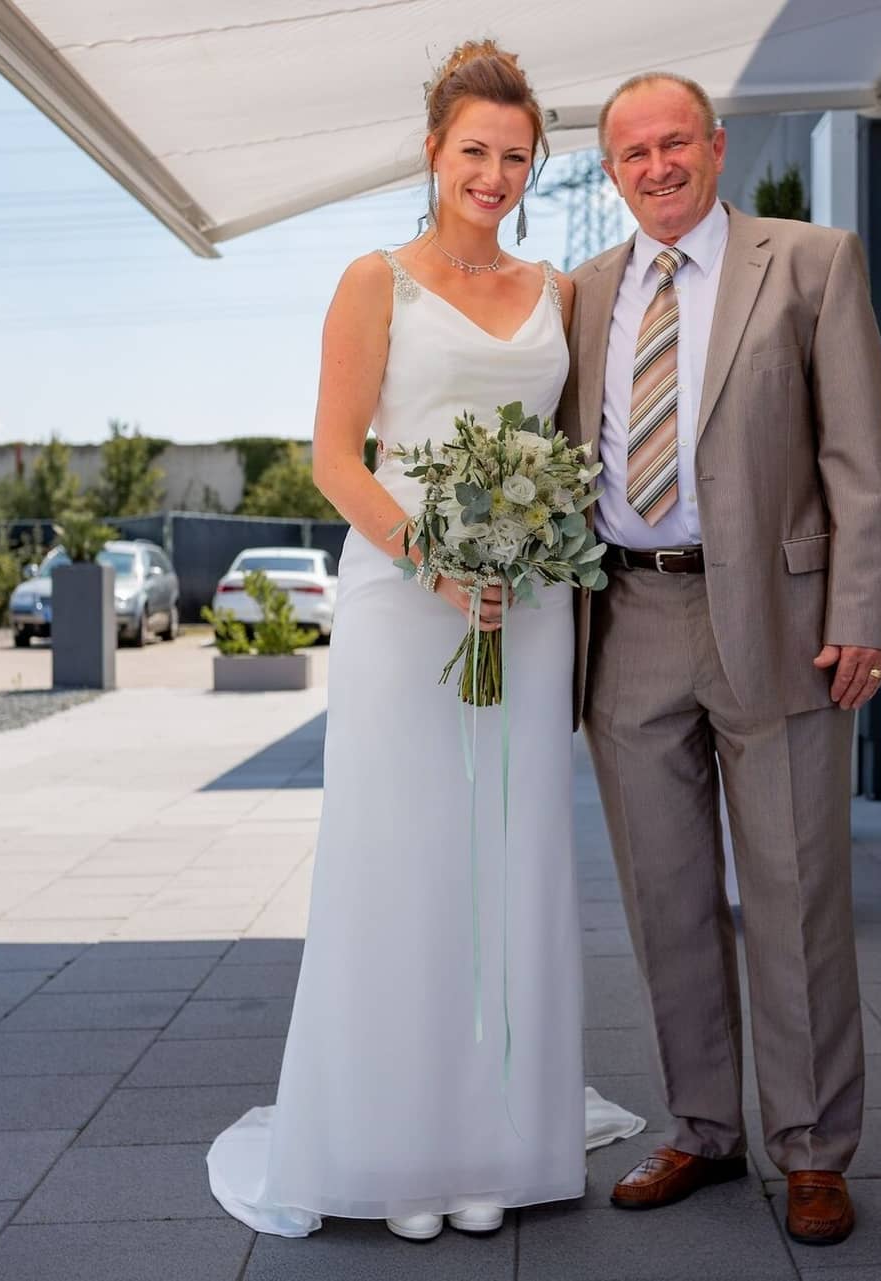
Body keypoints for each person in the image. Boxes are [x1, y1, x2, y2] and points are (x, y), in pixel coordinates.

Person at [206, 39, 639, 1243]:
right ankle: (396, 1146)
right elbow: (336, 460)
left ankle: (500, 1136)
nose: (492, 176)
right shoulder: (373, 280)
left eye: (514, 157)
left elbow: (571, 452)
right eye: (473, 153)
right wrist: (436, 562)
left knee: (512, 853)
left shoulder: (557, 291)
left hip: (530, 605)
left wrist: (524, 552)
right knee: (403, 856)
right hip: (407, 603)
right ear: (434, 153)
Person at [557, 71, 881, 1246]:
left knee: (798, 892)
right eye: (630, 153)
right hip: (630, 621)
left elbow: (859, 455)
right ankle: (703, 1130)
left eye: (673, 143)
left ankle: (813, 1150)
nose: (656, 166)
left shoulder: (811, 261)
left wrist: (864, 605)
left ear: (715, 146)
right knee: (667, 899)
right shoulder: (583, 293)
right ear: (611, 173)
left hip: (782, 619)